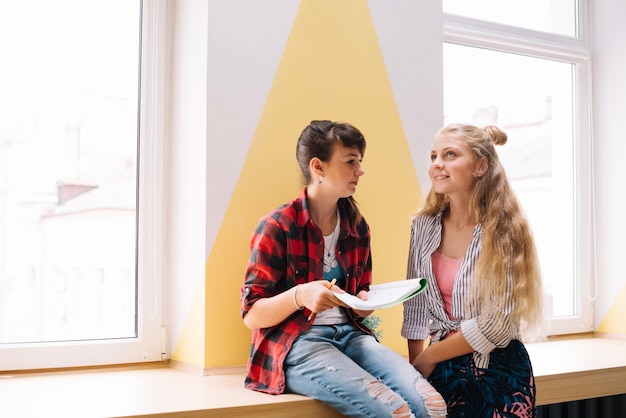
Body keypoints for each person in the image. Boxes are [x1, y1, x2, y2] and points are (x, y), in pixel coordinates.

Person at [240, 120, 447, 418]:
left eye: (359, 161)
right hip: (298, 344)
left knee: (433, 406)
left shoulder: (357, 227)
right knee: (397, 413)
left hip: (351, 337)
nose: (359, 170)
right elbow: (252, 315)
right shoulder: (278, 226)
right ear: (318, 167)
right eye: (350, 161)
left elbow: (359, 296)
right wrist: (300, 295)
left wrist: (364, 305)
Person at [401, 123, 545, 417]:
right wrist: (418, 374)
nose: (438, 164)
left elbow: (497, 324)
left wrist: (430, 357)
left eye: (450, 154)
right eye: (433, 157)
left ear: (481, 166)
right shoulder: (423, 226)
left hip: (498, 373)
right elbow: (414, 305)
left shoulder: (504, 230)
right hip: (439, 371)